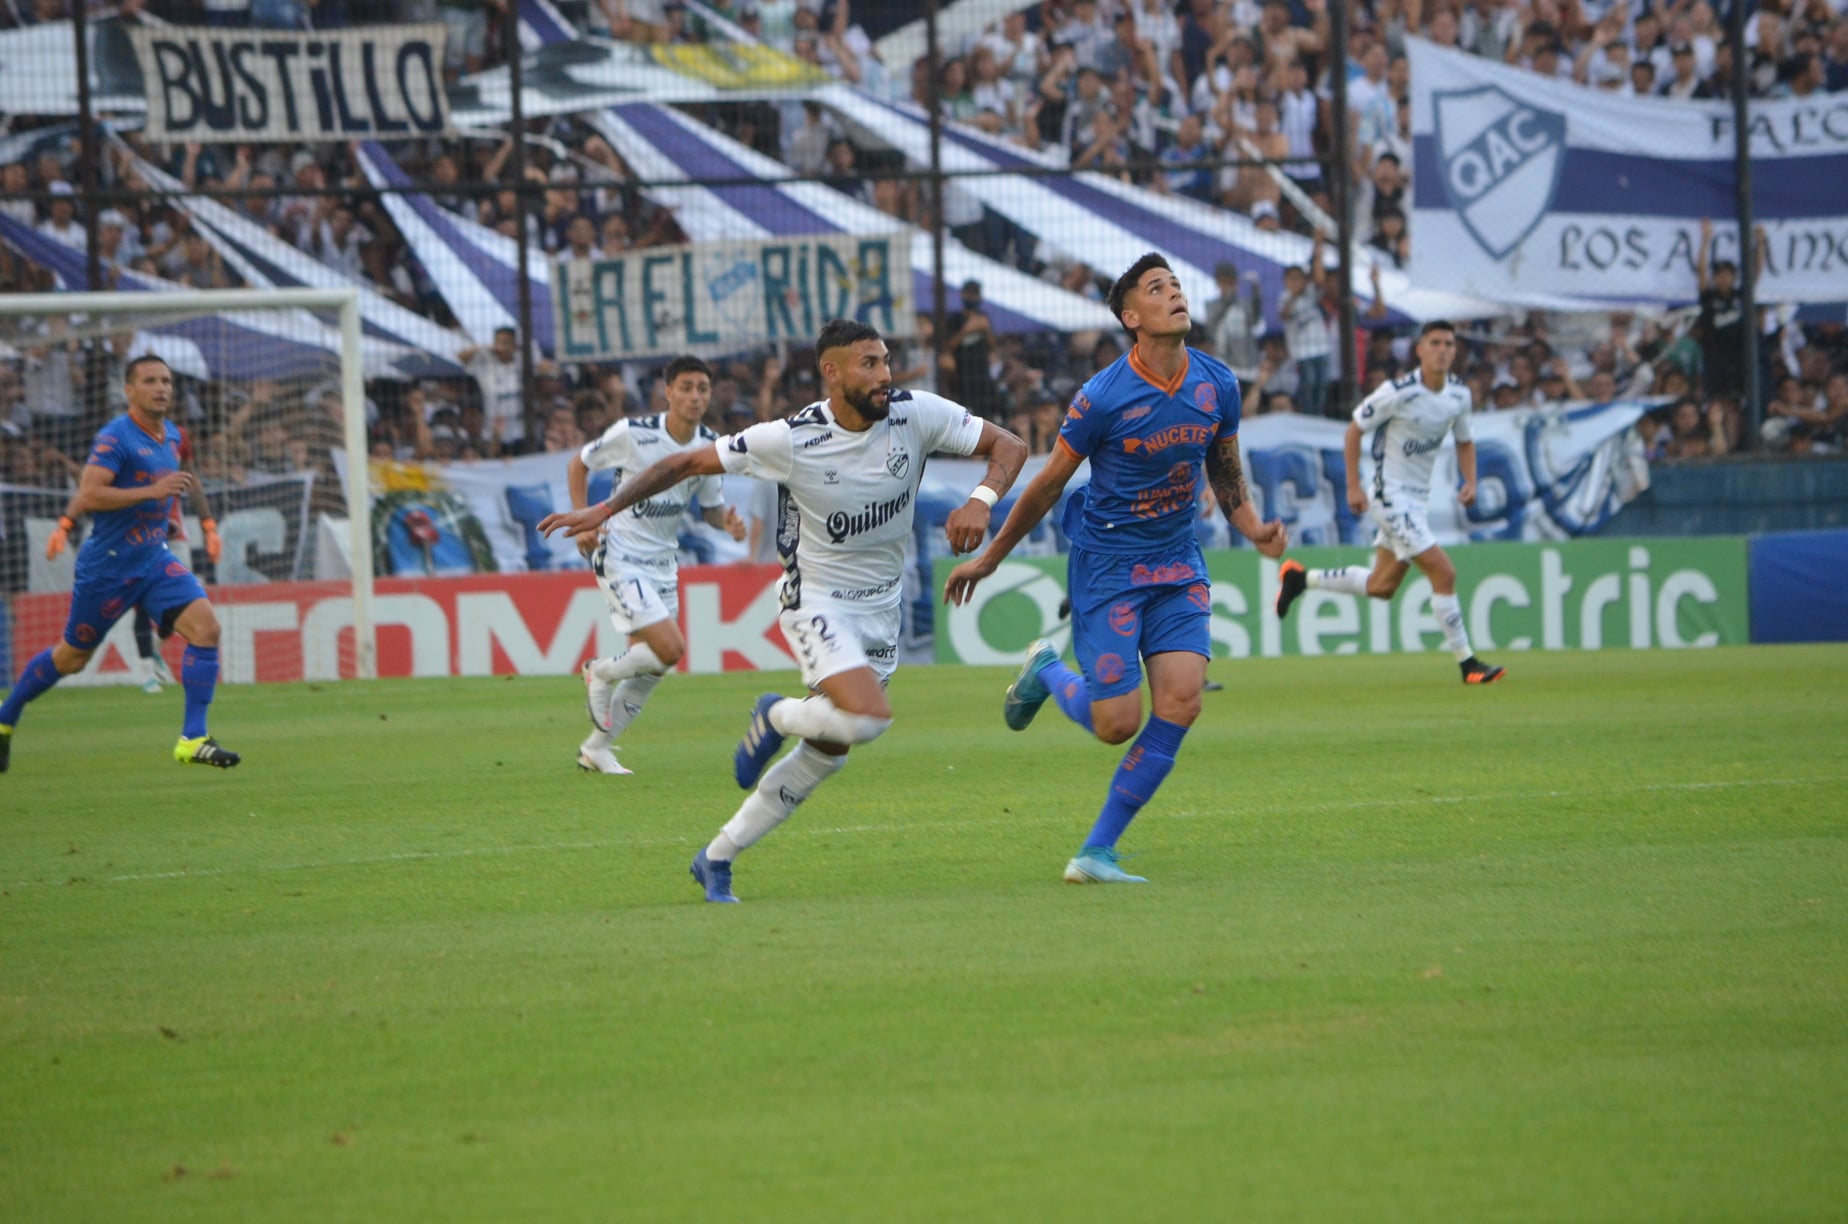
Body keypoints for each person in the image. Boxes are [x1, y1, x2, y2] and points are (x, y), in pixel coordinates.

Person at [538, 320, 1028, 902]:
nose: (884, 375)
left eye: (885, 361)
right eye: (869, 364)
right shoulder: (790, 439)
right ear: (832, 372)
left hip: (882, 608)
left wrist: (981, 499)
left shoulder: (915, 413)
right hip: (815, 602)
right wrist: (604, 509)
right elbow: (685, 465)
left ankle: (716, 858)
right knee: (869, 719)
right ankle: (776, 714)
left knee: (829, 752)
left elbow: (1010, 446)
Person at [943, 253, 1290, 885]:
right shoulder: (1102, 396)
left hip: (1177, 562)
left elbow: (1226, 475)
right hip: (1108, 565)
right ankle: (1048, 671)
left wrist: (1254, 528)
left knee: (1182, 702)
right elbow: (1049, 485)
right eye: (1158, 289)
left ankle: (1096, 852)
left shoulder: (1218, 383)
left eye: (1177, 284)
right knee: (1116, 725)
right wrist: (990, 557)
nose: (1175, 293)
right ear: (1132, 317)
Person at [0, 356, 238, 773]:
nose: (161, 388)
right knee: (72, 658)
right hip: (109, 567)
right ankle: (6, 716)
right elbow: (90, 493)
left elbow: (177, 483)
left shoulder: (172, 434)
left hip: (153, 558)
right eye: (150, 381)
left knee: (207, 629)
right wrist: (146, 495)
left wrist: (191, 522)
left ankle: (193, 739)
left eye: (166, 381)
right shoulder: (115, 437)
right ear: (129, 390)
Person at [1274, 320, 1506, 685]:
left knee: (1381, 586)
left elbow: (1465, 440)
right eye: (1435, 343)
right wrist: (1354, 487)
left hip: (1417, 500)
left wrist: (1471, 481)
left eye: (1449, 344)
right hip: (1390, 497)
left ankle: (1301, 579)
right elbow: (1354, 430)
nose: (1443, 350)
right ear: (1420, 349)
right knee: (1444, 573)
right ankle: (1468, 664)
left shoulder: (1459, 395)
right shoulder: (1397, 393)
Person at [566, 355, 747, 775]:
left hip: (664, 562)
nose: (695, 396)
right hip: (621, 553)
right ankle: (600, 672)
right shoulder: (633, 433)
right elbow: (579, 463)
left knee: (654, 663)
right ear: (667, 392)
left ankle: (596, 749)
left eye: (703, 388)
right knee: (671, 648)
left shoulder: (710, 446)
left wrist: (727, 523)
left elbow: (710, 509)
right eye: (686, 387)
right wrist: (581, 521)